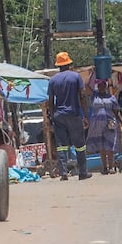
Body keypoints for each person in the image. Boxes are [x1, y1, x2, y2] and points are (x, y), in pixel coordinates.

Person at [47, 51, 89, 181]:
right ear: (69, 63)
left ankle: (63, 173)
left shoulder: (53, 80)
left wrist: (53, 115)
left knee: (61, 145)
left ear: (58, 65)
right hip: (73, 114)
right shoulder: (76, 77)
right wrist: (86, 115)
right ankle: (83, 172)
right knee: (80, 145)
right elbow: (82, 96)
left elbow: (50, 100)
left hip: (59, 115)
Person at [85, 79, 120, 175]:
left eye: (103, 85)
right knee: (101, 146)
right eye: (99, 86)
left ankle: (111, 166)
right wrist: (92, 75)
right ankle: (104, 167)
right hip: (97, 124)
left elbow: (116, 111)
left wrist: (121, 124)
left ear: (106, 86)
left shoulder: (112, 97)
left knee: (110, 145)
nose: (101, 87)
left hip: (110, 123)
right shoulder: (94, 96)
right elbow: (87, 86)